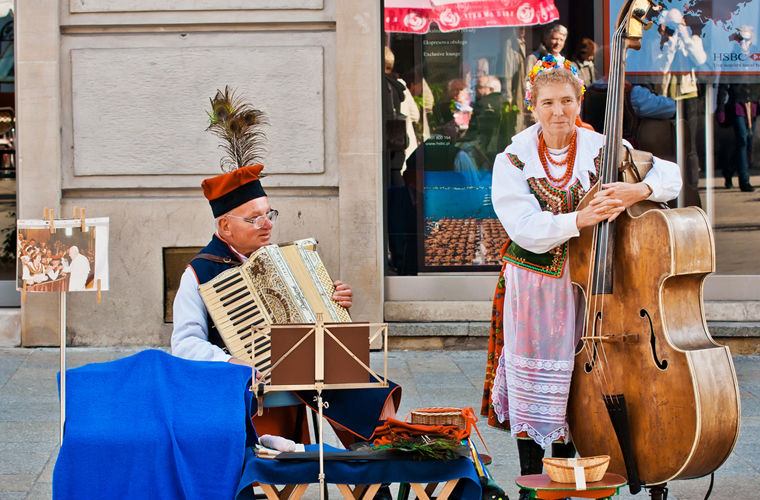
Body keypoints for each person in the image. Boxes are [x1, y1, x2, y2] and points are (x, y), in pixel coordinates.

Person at [480, 56, 681, 500]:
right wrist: (579, 218)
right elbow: (523, 228)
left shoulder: (603, 147)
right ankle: (534, 484)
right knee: (538, 383)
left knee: (586, 380)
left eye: (567, 101)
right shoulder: (513, 158)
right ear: (532, 105)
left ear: (579, 102)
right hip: (536, 284)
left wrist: (639, 189)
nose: (558, 112)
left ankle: (583, 474)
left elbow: (672, 174)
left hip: (596, 283)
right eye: (548, 102)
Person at [172, 89, 400, 448]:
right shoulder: (199, 271)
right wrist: (232, 361)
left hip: (304, 370)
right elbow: (184, 344)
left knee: (372, 388)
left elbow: (315, 321)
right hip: (245, 380)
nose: (267, 225)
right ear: (225, 226)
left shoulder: (284, 259)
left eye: (269, 214)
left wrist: (337, 303)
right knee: (348, 390)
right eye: (254, 218)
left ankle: (374, 475)